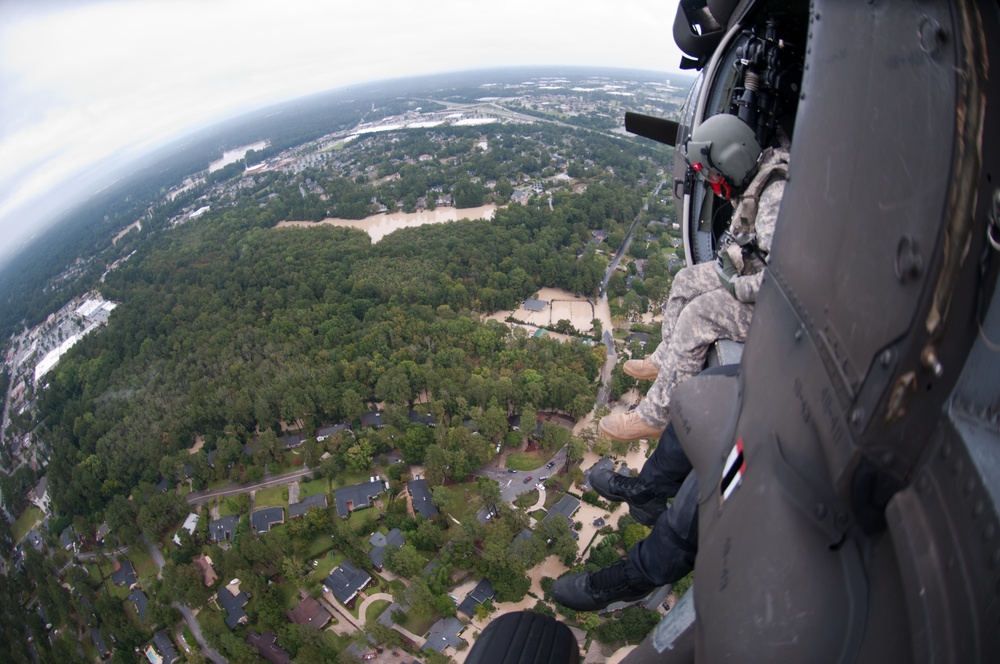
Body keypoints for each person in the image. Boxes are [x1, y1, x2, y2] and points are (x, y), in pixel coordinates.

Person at [599, 114, 789, 442]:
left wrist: (734, 285)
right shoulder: (759, 177)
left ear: (731, 160)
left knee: (697, 315)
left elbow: (779, 280)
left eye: (715, 174)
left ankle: (655, 415)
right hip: (753, 275)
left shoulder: (774, 196)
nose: (715, 183)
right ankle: (664, 359)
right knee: (686, 280)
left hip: (778, 304)